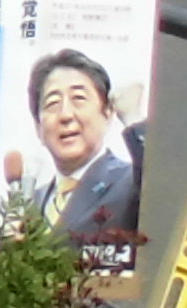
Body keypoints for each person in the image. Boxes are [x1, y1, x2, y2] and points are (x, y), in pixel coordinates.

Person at [21, 48, 142, 250]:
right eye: (52, 103)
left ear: (107, 112)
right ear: (38, 128)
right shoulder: (30, 204)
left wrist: (133, 119)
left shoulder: (132, 181)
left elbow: (167, 189)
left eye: (78, 98)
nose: (65, 115)